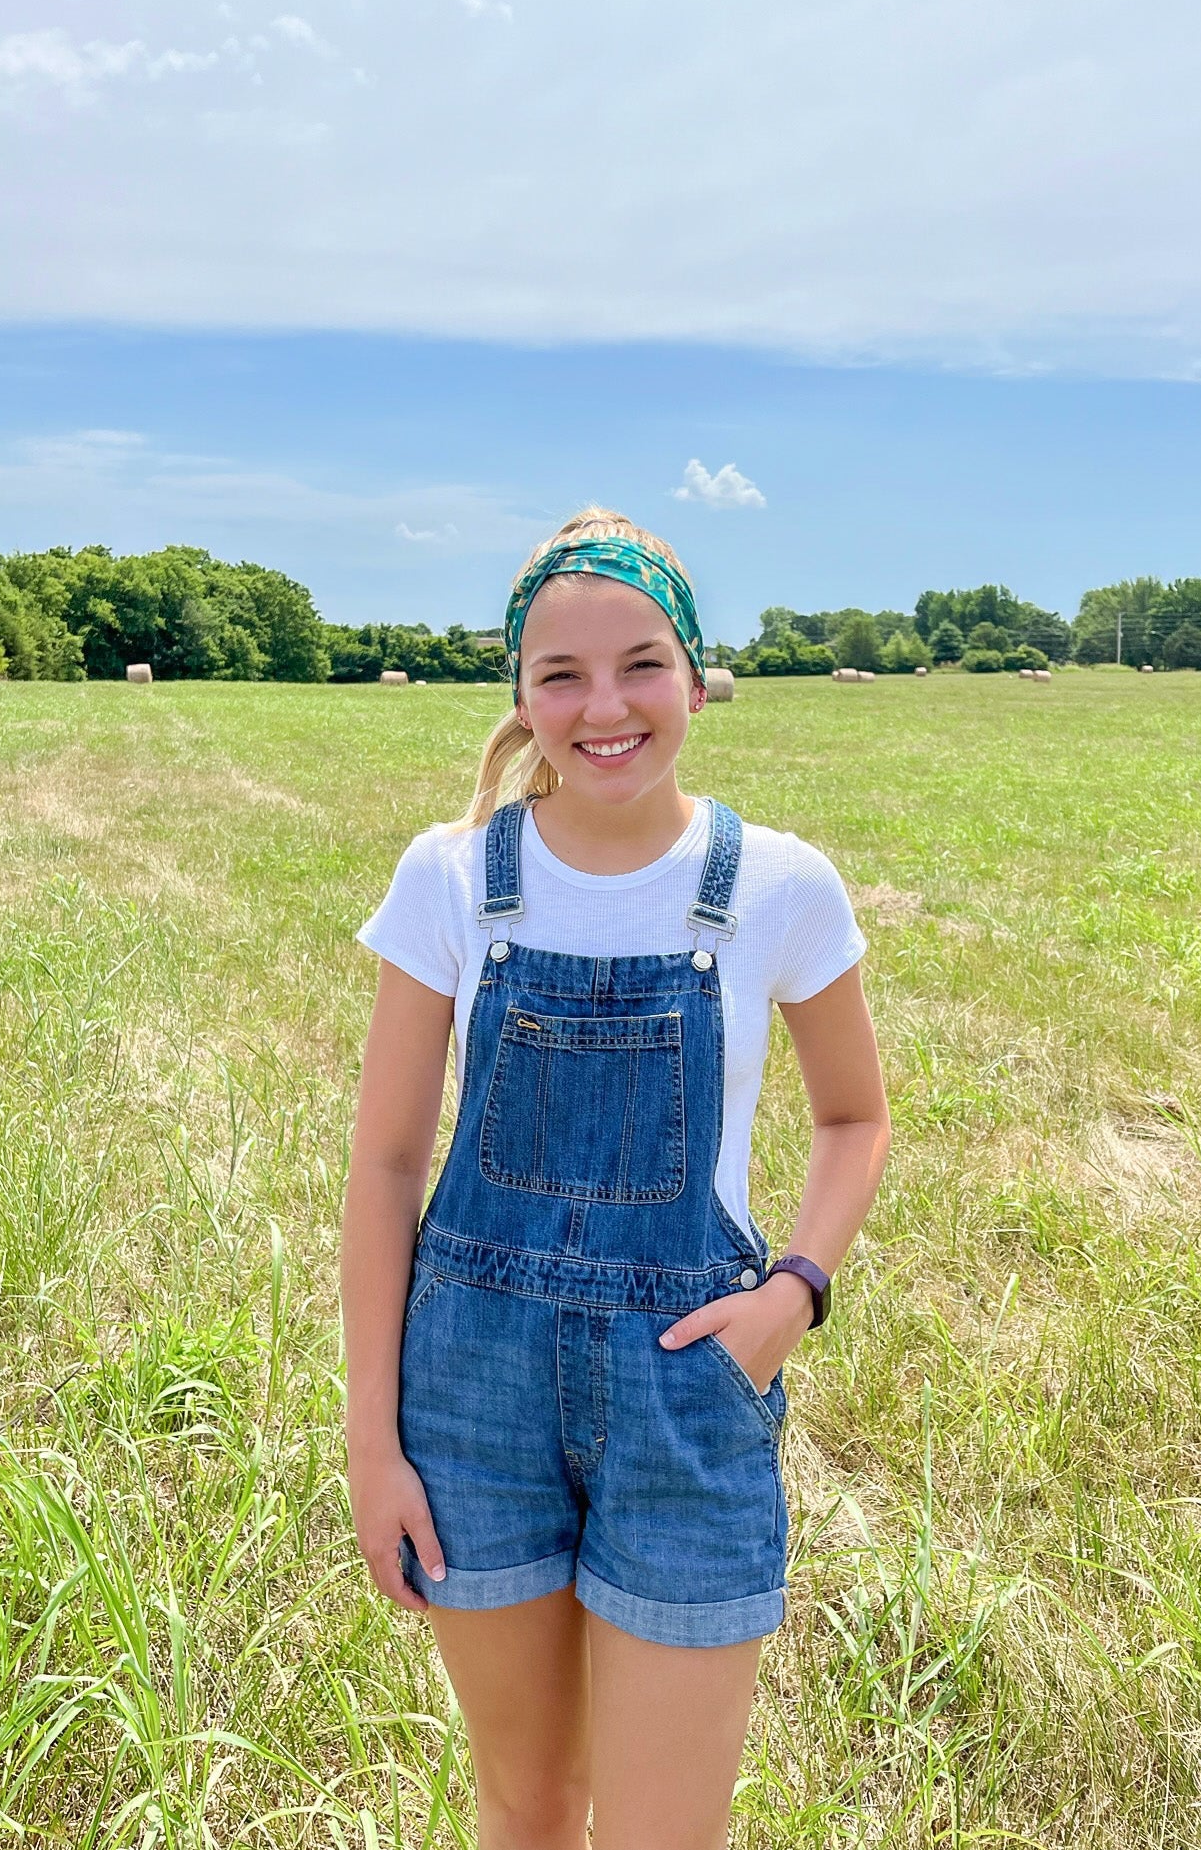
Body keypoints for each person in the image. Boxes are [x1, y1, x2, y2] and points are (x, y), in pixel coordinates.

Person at [342, 508, 890, 1850]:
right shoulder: (454, 878)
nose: (605, 707)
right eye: (561, 675)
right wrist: (373, 1440)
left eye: (642, 664)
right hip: (472, 1395)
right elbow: (387, 1163)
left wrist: (794, 1293)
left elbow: (855, 1117)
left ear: (698, 676)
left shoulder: (778, 885)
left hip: (682, 1390)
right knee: (527, 1805)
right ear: (520, 697)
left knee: (664, 1833)